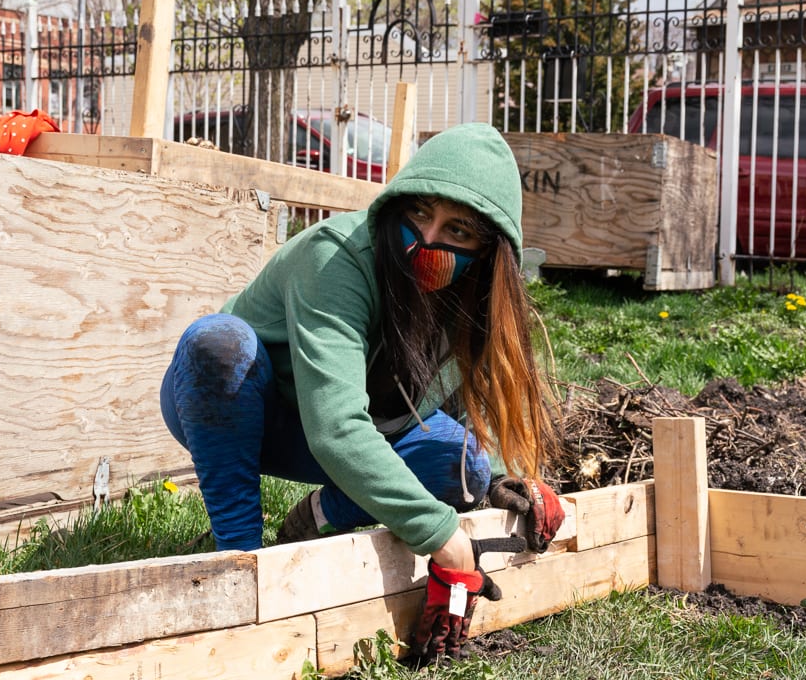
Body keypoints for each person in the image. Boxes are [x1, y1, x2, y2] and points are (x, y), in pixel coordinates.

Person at [159, 122, 567, 658]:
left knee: (461, 462)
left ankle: (320, 515)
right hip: (250, 407)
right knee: (218, 341)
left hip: (359, 427)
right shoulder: (337, 257)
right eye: (420, 213)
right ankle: (239, 555)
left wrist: (496, 479)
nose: (427, 242)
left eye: (458, 231)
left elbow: (460, 401)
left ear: (489, 251)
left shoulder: (471, 290)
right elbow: (335, 428)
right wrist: (442, 536)